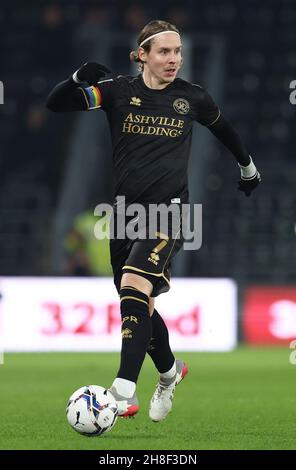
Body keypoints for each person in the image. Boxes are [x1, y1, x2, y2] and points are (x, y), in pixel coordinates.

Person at [46, 20, 261, 422]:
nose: (174, 59)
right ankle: (169, 373)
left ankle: (121, 391)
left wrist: (247, 167)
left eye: (178, 51)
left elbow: (225, 130)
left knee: (132, 282)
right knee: (139, 304)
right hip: (125, 216)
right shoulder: (116, 92)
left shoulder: (192, 98)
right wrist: (76, 78)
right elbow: (56, 103)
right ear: (141, 54)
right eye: (164, 52)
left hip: (171, 213)